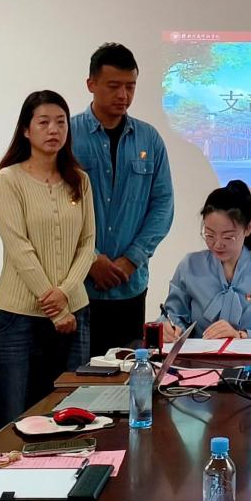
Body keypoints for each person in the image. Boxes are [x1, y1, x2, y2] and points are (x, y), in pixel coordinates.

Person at [0, 90, 97, 431]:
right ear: (26, 130)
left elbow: (88, 243)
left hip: (75, 311)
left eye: (61, 122)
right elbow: (19, 248)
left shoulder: (79, 180)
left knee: (71, 413)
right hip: (19, 317)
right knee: (13, 416)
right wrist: (56, 308)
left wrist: (66, 293)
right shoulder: (8, 179)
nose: (54, 130)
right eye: (44, 122)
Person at [71, 43, 174, 354]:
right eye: (114, 86)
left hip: (130, 285)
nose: (123, 95)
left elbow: (162, 205)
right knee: (77, 373)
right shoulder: (68, 135)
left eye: (130, 86)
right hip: (77, 286)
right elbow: (55, 209)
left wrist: (131, 259)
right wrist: (91, 259)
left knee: (126, 370)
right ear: (91, 84)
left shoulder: (149, 139)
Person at [161, 180, 251, 341]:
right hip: (198, 356)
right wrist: (169, 328)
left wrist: (241, 335)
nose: (217, 244)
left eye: (228, 237)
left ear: (248, 228)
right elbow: (173, 316)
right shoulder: (190, 266)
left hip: (249, 357)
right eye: (209, 235)